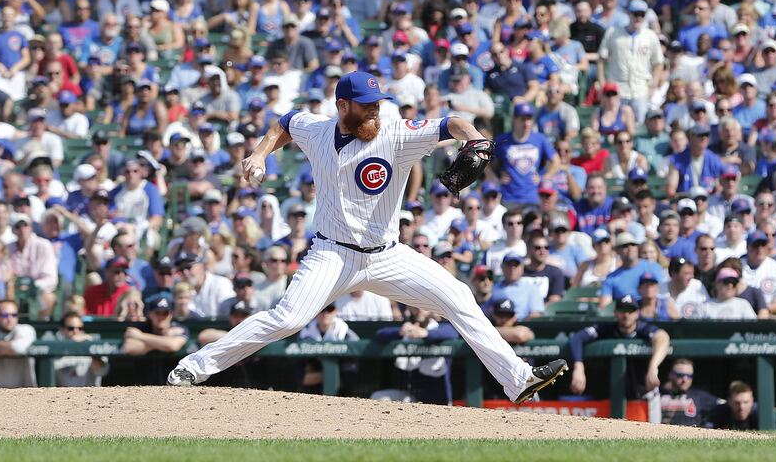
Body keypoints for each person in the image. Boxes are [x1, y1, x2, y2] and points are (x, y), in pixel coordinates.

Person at [167, 71, 567, 403]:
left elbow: (450, 124)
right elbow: (284, 122)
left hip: (388, 256)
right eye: (366, 104)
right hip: (331, 254)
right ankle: (193, 368)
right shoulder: (318, 129)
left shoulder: (395, 134)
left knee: (459, 297)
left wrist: (475, 137)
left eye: (377, 102)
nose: (375, 109)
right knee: (287, 319)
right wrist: (259, 154)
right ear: (343, 106)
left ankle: (518, 380)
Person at [565, 294, 671, 396]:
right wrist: (578, 367)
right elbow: (576, 338)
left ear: (637, 313)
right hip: (610, 395)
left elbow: (663, 338)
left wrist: (653, 367)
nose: (626, 315)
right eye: (622, 310)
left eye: (630, 310)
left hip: (644, 394)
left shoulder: (643, 329)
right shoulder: (606, 328)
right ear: (615, 313)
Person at [122, 290, 191, 356]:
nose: (161, 317)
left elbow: (172, 346)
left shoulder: (179, 328)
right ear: (150, 314)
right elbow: (129, 347)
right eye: (157, 313)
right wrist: (164, 342)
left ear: (171, 315)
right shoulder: (143, 327)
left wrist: (140, 336)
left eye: (165, 313)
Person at [656, 358, 721, 427]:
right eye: (680, 375)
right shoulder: (657, 395)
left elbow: (725, 404)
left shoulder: (699, 396)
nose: (685, 379)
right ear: (670, 375)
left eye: (689, 376)